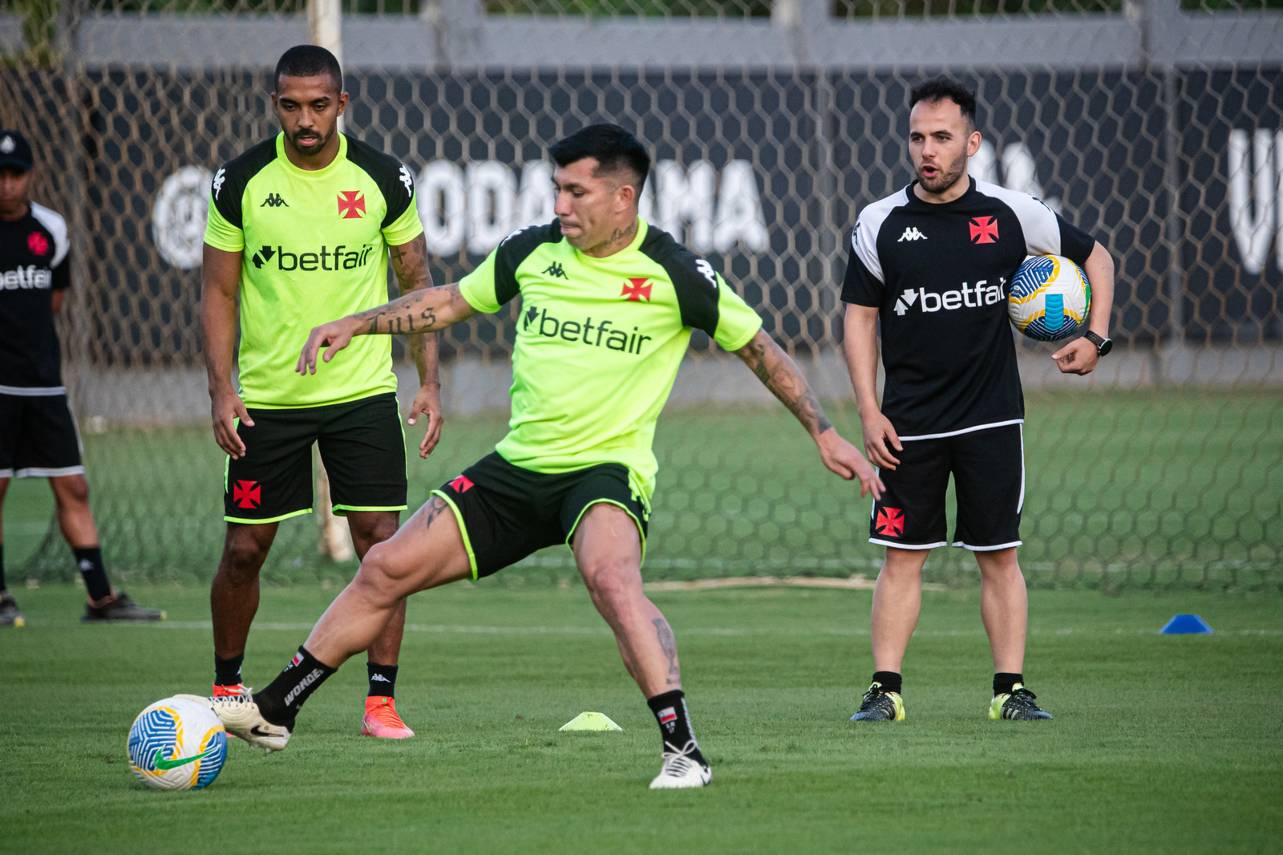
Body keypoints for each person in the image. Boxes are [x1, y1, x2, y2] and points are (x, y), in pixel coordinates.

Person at [212, 123, 884, 788]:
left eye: (575, 191)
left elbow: (758, 348)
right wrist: (358, 321)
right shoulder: (532, 251)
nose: (560, 205)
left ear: (623, 198)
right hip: (517, 468)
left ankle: (683, 749)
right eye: (556, 189)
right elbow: (447, 302)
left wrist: (823, 431)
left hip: (603, 473)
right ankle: (276, 708)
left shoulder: (674, 272)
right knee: (385, 567)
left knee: (611, 578)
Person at [841, 77, 1116, 722]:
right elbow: (858, 318)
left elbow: (1097, 257)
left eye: (942, 138)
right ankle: (885, 690)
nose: (927, 151)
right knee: (901, 560)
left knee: (1000, 556)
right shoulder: (880, 223)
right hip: (907, 421)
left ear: (973, 142)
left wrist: (1096, 337)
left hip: (993, 416)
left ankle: (1010, 692)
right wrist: (867, 409)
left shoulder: (1012, 213)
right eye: (917, 138)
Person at [200, 45, 443, 739]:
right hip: (268, 399)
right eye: (290, 105)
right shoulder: (239, 181)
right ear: (274, 103)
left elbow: (417, 283)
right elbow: (218, 290)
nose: (304, 119)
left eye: (317, 105)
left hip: (363, 392)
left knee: (383, 548)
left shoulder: (381, 176)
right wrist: (221, 389)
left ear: (341, 102)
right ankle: (226, 688)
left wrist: (427, 380)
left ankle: (380, 702)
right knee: (245, 549)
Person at [0, 129, 164, 627]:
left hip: (44, 384)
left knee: (72, 486)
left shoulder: (51, 229)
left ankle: (100, 597)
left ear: (31, 176)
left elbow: (53, 300)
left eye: (15, 175)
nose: (7, 185)